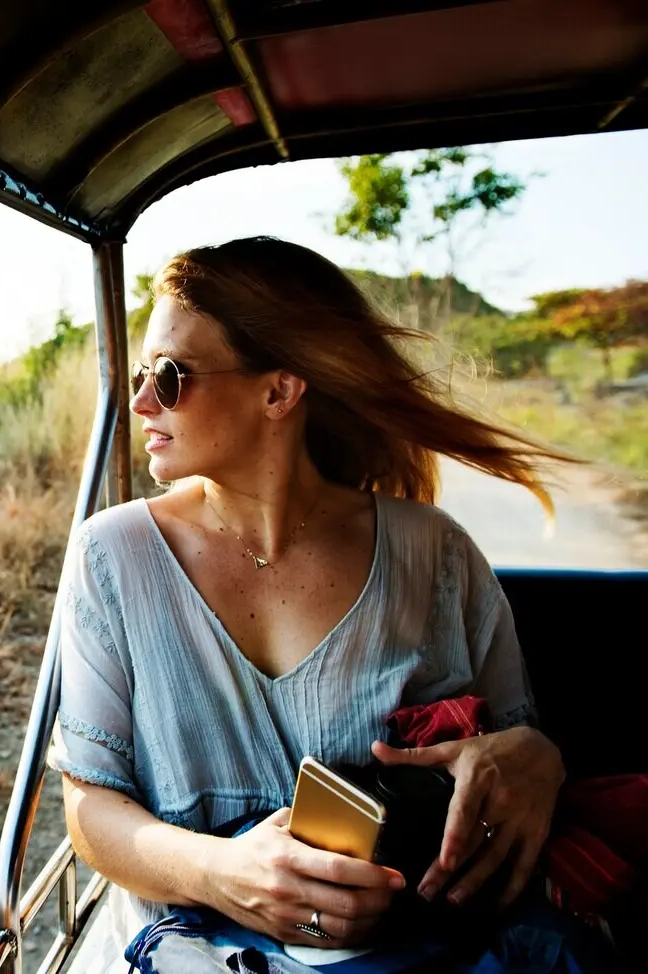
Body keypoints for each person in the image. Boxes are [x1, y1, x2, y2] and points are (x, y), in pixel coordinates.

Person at [50, 237, 569, 970]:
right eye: (141, 375)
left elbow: (519, 744)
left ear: (279, 393)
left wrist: (537, 758)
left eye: (169, 376)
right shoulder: (112, 557)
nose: (141, 402)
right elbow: (90, 805)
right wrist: (220, 874)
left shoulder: (435, 553)